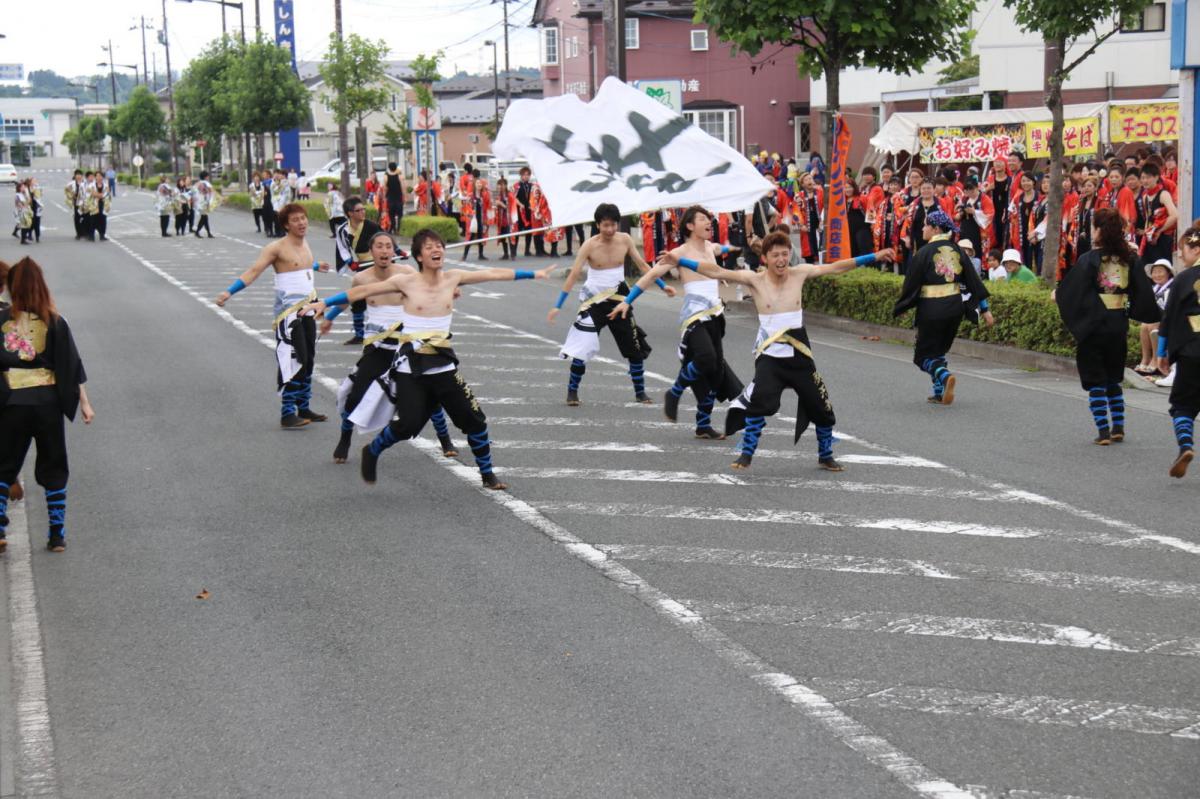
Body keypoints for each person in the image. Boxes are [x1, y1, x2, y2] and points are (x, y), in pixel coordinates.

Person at [305, 228, 556, 489]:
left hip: (443, 365)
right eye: (429, 247)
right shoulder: (406, 282)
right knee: (408, 424)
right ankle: (373, 450)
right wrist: (326, 303)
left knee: (475, 420)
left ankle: (488, 475)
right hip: (410, 367)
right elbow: (359, 292)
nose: (436, 250)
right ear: (419, 256)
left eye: (440, 246)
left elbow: (492, 274)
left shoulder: (453, 278)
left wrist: (534, 274)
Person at [653, 234, 895, 471]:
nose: (781, 259)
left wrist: (874, 255)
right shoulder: (755, 280)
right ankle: (747, 454)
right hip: (770, 358)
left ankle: (826, 455)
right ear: (765, 258)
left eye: (784, 254)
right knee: (759, 403)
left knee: (820, 406)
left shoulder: (799, 273)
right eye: (775, 255)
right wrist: (681, 261)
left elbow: (836, 267)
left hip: (800, 356)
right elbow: (717, 271)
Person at [319, 231, 458, 464]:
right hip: (377, 347)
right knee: (355, 395)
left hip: (407, 346)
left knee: (430, 392)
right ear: (371, 251)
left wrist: (451, 289)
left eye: (388, 246)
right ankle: (345, 437)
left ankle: (445, 440)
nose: (384, 251)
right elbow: (348, 299)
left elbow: (433, 284)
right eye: (380, 247)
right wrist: (330, 317)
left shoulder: (407, 274)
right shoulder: (361, 279)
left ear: (394, 251)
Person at [611, 207, 746, 439]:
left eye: (709, 219)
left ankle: (703, 425)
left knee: (715, 373)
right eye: (703, 219)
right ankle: (674, 392)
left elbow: (720, 248)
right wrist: (627, 301)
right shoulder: (679, 252)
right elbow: (651, 275)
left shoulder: (710, 247)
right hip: (694, 317)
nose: (709, 222)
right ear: (690, 226)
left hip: (715, 316)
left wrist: (735, 247)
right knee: (706, 358)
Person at [0, 258, 95, 553]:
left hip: (12, 401)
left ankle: (0, 530)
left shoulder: (2, 319)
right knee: (54, 465)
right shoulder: (55, 320)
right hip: (47, 402)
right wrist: (84, 403)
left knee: (3, 466)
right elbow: (71, 365)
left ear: (11, 287)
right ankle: (57, 534)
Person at [215, 203, 333, 427]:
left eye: (303, 218)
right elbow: (253, 271)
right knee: (292, 358)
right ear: (286, 224)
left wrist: (316, 266)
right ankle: (287, 412)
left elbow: (298, 266)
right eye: (296, 220)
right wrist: (228, 292)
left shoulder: (305, 243)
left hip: (309, 308)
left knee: (308, 359)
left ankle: (303, 406)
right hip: (288, 314)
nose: (301, 223)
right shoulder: (276, 247)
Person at [549, 203, 670, 407]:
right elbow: (573, 275)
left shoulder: (625, 240)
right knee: (582, 347)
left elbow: (642, 265)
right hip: (593, 302)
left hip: (620, 300)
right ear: (598, 225)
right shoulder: (589, 245)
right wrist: (558, 305)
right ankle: (572, 391)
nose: (610, 229)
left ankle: (640, 392)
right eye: (606, 225)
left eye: (613, 224)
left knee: (634, 347)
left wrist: (663, 285)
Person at [1056, 208, 1159, 445]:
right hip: (1117, 323)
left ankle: (1103, 432)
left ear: (1100, 229)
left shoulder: (1090, 259)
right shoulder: (1130, 259)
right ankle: (1119, 428)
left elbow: (1073, 291)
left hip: (1094, 324)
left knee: (1095, 379)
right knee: (1114, 377)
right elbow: (1142, 292)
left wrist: (1059, 295)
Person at [893, 209, 994, 405]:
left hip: (932, 308)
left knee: (922, 356)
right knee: (938, 350)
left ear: (935, 228)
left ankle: (945, 376)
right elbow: (973, 281)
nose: (922, 229)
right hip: (955, 307)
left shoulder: (923, 253)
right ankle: (940, 392)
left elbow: (911, 284)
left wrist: (902, 306)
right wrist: (985, 308)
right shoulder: (957, 250)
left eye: (925, 225)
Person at [1155, 224, 1200, 476]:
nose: (1181, 256)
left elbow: (1168, 318)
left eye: (1183, 250)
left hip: (1192, 350)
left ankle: (1185, 445)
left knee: (1182, 404)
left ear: (1196, 248)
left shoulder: (1183, 279)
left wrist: (1162, 353)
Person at [334, 195, 390, 346]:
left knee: (384, 296)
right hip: (362, 266)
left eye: (363, 209)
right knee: (357, 299)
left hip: (378, 264)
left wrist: (398, 251)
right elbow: (342, 248)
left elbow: (385, 239)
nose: (362, 212)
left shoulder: (371, 226)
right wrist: (349, 262)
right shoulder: (342, 230)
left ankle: (389, 331)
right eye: (358, 210)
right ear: (350, 213)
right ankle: (359, 334)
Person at [1136, 257, 1175, 375]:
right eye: (1154, 272)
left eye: (1160, 271)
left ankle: (1155, 360)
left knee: (1152, 324)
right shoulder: (1154, 289)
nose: (1157, 275)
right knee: (1144, 325)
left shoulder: (1172, 288)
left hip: (1170, 321)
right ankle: (1145, 359)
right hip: (1158, 319)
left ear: (1168, 273)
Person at [1137, 162, 1179, 265]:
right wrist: (1146, 233)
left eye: (1148, 177)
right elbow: (1148, 218)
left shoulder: (1163, 194)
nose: (1145, 181)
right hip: (1150, 237)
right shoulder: (1144, 196)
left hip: (1163, 237)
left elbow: (1174, 215)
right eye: (1143, 178)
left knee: (1163, 267)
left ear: (1156, 177)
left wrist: (1159, 230)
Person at [494, 177, 518, 260]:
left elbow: (512, 207)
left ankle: (513, 254)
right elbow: (495, 206)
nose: (501, 186)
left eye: (503, 184)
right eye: (500, 185)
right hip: (501, 219)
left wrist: (501, 204)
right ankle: (505, 254)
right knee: (503, 236)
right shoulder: (498, 195)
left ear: (506, 185)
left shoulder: (510, 195)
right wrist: (497, 205)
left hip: (509, 219)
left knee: (510, 236)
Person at [515, 166, 535, 256]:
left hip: (529, 210)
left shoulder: (531, 186)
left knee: (529, 230)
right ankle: (514, 250)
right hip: (519, 211)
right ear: (521, 175)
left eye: (528, 175)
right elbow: (513, 197)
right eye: (524, 175)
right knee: (517, 230)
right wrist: (520, 204)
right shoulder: (517, 185)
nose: (526, 176)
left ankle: (527, 250)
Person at [64, 170, 86, 240]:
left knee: (84, 218)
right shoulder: (72, 183)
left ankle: (84, 232)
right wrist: (71, 195)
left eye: (80, 175)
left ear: (82, 176)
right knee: (77, 218)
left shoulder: (85, 183)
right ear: (75, 176)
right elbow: (66, 190)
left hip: (85, 203)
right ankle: (78, 233)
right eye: (77, 175)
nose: (78, 176)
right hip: (76, 203)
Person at [193, 171, 215, 238]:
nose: (208, 177)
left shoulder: (197, 184)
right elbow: (212, 192)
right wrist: (211, 201)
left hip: (199, 203)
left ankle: (208, 233)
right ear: (205, 177)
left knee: (204, 218)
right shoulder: (207, 184)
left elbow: (193, 192)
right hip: (205, 202)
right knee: (204, 218)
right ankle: (197, 232)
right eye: (207, 176)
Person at [384, 162, 405, 233]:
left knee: (391, 214)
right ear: (396, 167)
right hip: (398, 197)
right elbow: (403, 187)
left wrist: (384, 197)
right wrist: (404, 196)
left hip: (390, 198)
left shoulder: (386, 176)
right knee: (400, 214)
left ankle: (393, 227)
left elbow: (385, 188)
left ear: (389, 168)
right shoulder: (400, 176)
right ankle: (398, 229)